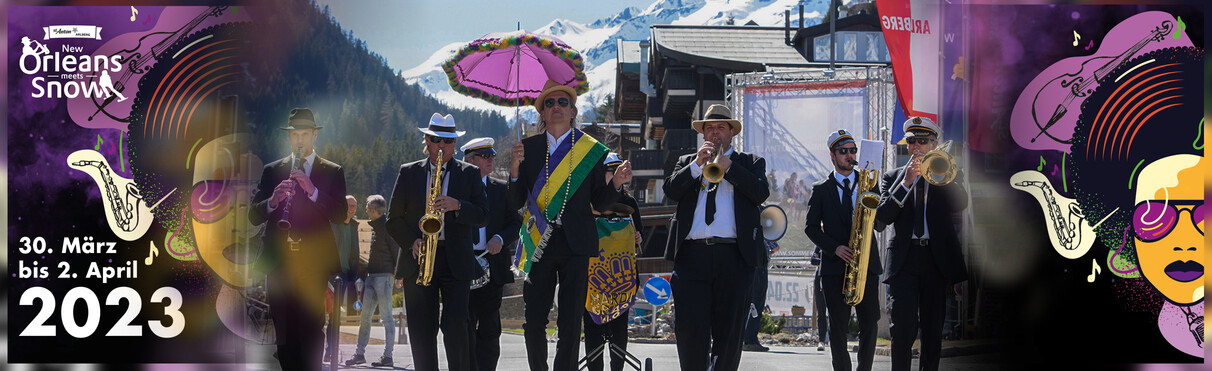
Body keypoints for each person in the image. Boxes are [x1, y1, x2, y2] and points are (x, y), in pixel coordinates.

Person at [508, 80, 631, 371]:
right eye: (549, 103)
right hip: (539, 241)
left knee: (571, 320)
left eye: (563, 102)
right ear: (542, 113)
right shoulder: (526, 149)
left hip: (576, 242)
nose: (556, 107)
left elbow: (599, 202)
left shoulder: (591, 150)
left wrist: (616, 183)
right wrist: (513, 169)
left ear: (573, 111)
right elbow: (514, 202)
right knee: (534, 319)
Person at [662, 104, 769, 371]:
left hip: (734, 256)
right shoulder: (687, 162)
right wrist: (698, 166)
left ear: (731, 132)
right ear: (703, 134)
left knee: (730, 332)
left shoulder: (750, 162)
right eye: (709, 128)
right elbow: (671, 190)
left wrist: (729, 167)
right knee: (689, 329)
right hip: (692, 256)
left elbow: (760, 192)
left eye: (721, 127)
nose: (714, 132)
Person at [387, 113, 488, 371]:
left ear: (455, 143)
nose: (441, 145)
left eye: (448, 140)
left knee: (456, 328)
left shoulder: (470, 173)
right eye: (436, 139)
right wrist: (411, 242)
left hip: (455, 261)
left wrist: (458, 205)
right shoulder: (409, 172)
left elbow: (483, 215)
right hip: (418, 257)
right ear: (426, 141)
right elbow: (392, 219)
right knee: (421, 329)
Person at [248, 108, 347, 370]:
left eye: (304, 134)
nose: (299, 140)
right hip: (280, 263)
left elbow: (340, 215)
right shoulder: (273, 170)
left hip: (314, 264)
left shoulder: (332, 171)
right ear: (289, 137)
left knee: (312, 330)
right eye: (294, 135)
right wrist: (272, 201)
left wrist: (313, 191)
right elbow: (252, 216)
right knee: (284, 333)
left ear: (315, 135)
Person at [875, 117, 969, 371]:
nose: (916, 146)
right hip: (904, 261)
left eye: (923, 141)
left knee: (932, 329)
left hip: (935, 260)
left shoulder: (946, 173)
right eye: (911, 141)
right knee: (901, 329)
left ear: (934, 144)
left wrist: (941, 176)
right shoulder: (892, 177)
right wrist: (906, 183)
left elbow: (961, 203)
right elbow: (882, 218)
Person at [804, 129, 883, 371]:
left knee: (870, 323)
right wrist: (834, 248)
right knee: (837, 327)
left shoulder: (869, 181)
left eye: (852, 151)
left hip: (866, 264)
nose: (850, 155)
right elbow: (810, 228)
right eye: (843, 151)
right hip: (835, 267)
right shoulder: (821, 188)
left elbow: (880, 223)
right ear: (832, 155)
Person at [461, 137, 522, 371]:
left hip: (492, 266)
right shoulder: (456, 188)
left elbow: (515, 222)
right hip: (462, 266)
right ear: (470, 161)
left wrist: (500, 238)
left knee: (490, 328)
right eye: (485, 156)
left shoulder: (500, 188)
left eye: (492, 155)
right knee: (463, 326)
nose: (491, 160)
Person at [582, 152, 643, 371]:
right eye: (612, 170)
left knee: (619, 331)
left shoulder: (629, 202)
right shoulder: (589, 200)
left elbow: (639, 235)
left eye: (619, 169)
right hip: (593, 280)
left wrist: (638, 237)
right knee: (593, 331)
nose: (617, 174)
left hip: (621, 279)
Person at [345, 195, 400, 367]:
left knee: (386, 317)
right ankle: (359, 354)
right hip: (372, 276)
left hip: (384, 277)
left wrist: (398, 275)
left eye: (368, 208)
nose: (366, 210)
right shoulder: (376, 226)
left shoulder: (387, 227)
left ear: (374, 211)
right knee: (365, 317)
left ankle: (388, 356)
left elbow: (396, 250)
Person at [743, 237, 779, 352]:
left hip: (748, 266)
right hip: (760, 265)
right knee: (757, 303)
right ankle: (750, 340)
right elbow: (775, 247)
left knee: (747, 303)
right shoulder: (764, 232)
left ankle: (744, 338)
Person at [332, 195, 361, 313]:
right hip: (328, 272)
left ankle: (333, 326)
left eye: (354, 206)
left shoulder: (354, 226)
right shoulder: (331, 223)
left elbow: (355, 251)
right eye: (349, 205)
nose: (351, 209)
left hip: (343, 273)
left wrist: (353, 273)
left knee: (336, 309)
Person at [811, 246, 829, 351]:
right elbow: (813, 260)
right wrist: (828, 262)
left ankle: (836, 338)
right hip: (820, 278)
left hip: (833, 278)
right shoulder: (819, 245)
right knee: (821, 311)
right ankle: (821, 340)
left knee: (835, 311)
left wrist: (822, 261)